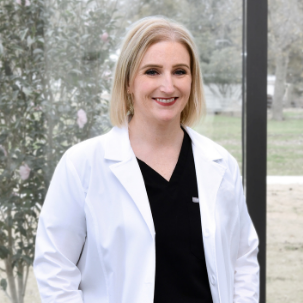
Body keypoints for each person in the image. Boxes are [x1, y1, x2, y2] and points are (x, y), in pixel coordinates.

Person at [34, 16, 259, 303]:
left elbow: (243, 259)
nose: (168, 86)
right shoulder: (83, 165)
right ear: (128, 81)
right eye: (152, 72)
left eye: (180, 71)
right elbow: (55, 268)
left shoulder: (221, 164)